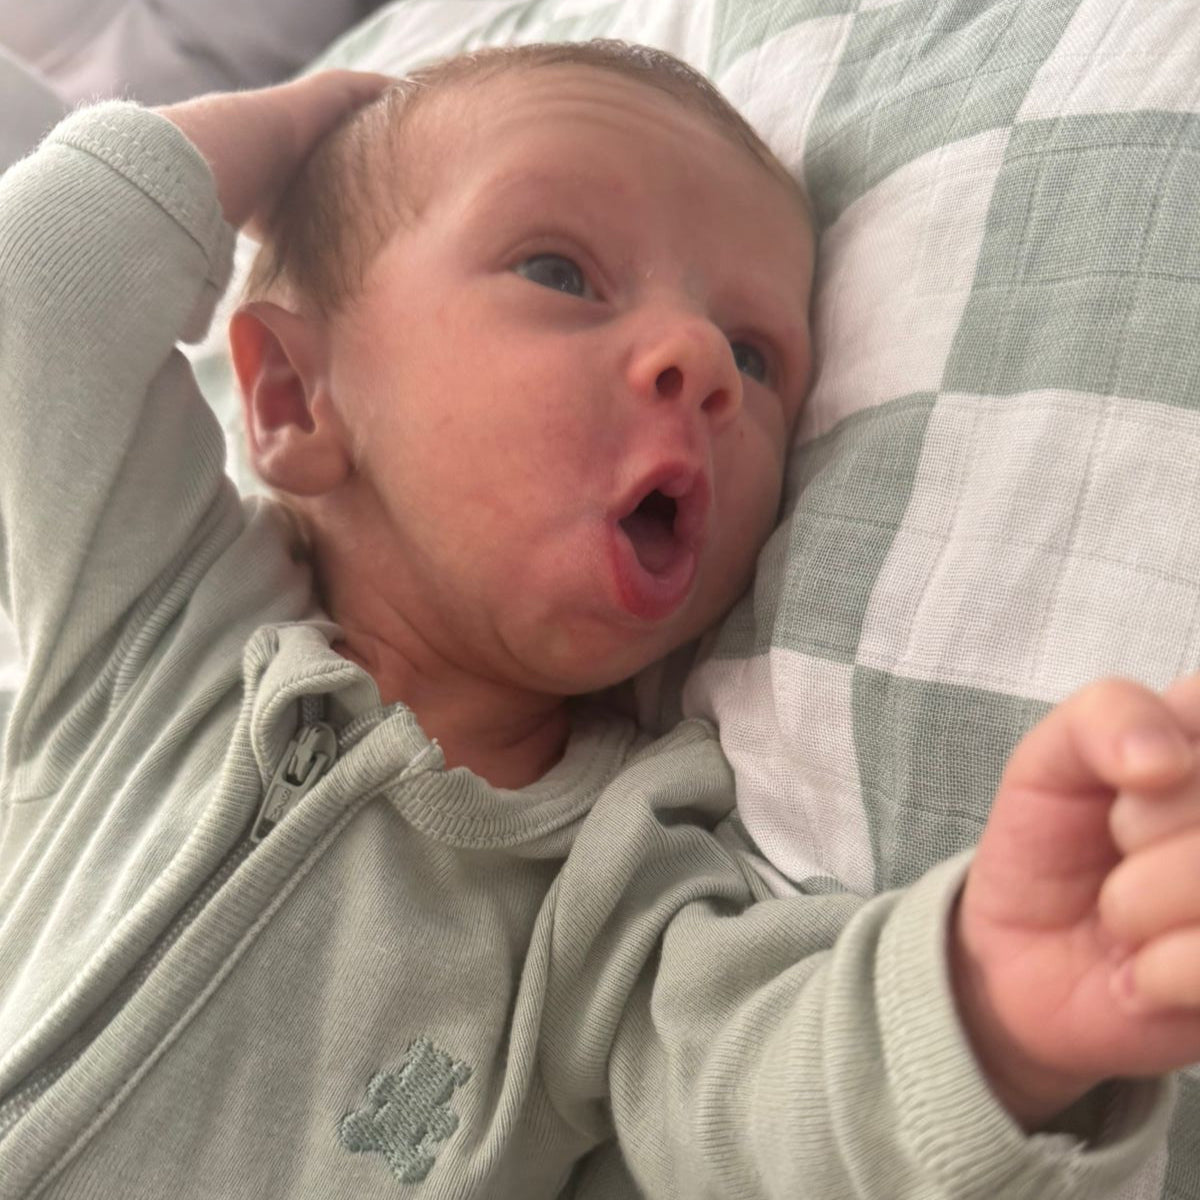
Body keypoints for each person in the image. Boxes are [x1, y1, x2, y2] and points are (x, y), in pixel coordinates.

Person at [0, 38, 1196, 1200]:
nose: (699, 360)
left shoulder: (619, 882)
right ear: (289, 395)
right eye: (561, 273)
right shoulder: (154, 613)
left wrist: (990, 1010)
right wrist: (295, 127)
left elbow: (759, 1100)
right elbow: (44, 285)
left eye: (755, 353)